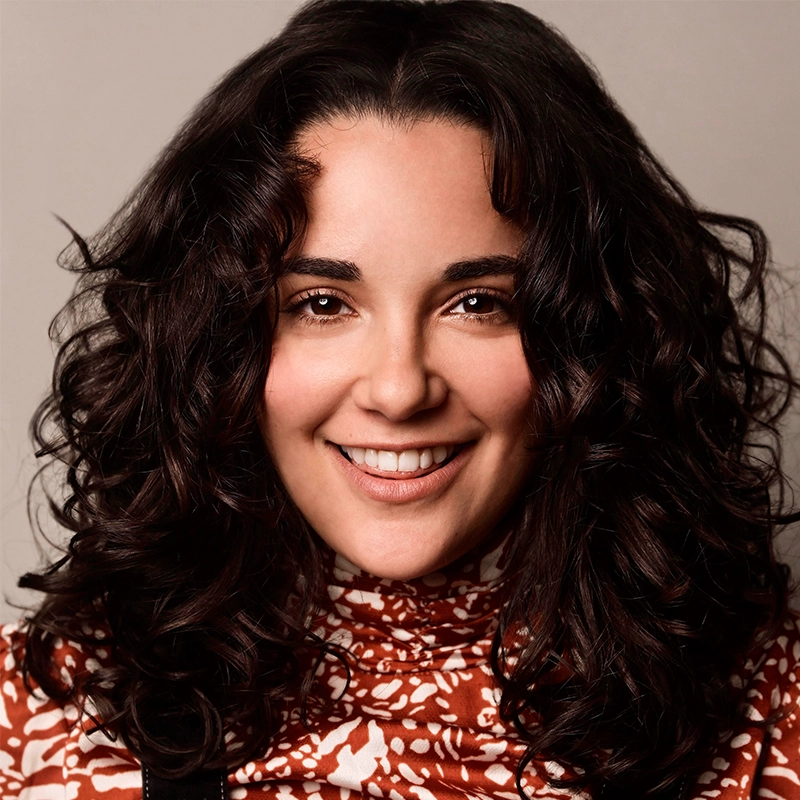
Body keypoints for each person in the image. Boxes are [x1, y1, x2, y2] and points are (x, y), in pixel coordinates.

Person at [1, 0, 799, 798]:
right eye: (321, 304)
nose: (398, 389)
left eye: (479, 303)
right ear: (214, 340)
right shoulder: (42, 718)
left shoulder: (769, 710)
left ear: (596, 333)